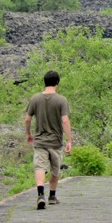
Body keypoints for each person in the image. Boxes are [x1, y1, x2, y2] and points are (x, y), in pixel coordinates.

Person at [25, 70, 72, 210]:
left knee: (39, 167)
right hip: (55, 141)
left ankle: (40, 194)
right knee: (55, 168)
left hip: (39, 141)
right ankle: (52, 196)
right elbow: (65, 121)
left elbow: (27, 119)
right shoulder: (61, 100)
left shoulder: (35, 98)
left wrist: (29, 134)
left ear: (44, 82)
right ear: (57, 82)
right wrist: (69, 140)